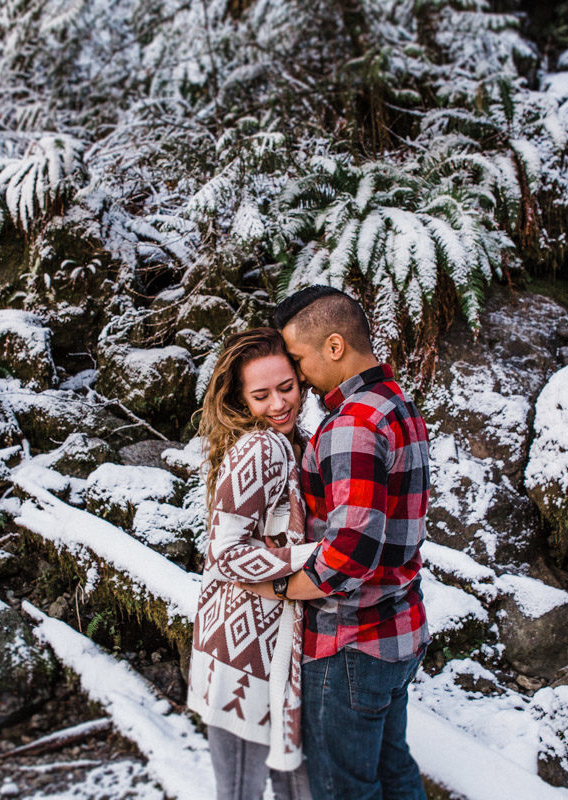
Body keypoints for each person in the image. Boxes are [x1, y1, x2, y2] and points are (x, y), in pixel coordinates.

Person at [249, 286, 431, 800]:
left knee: (343, 789)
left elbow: (349, 555)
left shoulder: (352, 423)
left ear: (334, 346)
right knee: (393, 767)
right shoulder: (399, 404)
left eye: (300, 360)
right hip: (400, 632)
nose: (298, 376)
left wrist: (279, 588)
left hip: (351, 644)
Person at [186, 327, 317, 800]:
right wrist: (314, 562)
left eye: (287, 388)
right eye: (261, 395)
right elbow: (225, 553)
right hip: (243, 653)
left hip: (261, 642)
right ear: (242, 399)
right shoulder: (262, 447)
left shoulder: (294, 440)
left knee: (289, 782)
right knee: (243, 789)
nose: (280, 404)